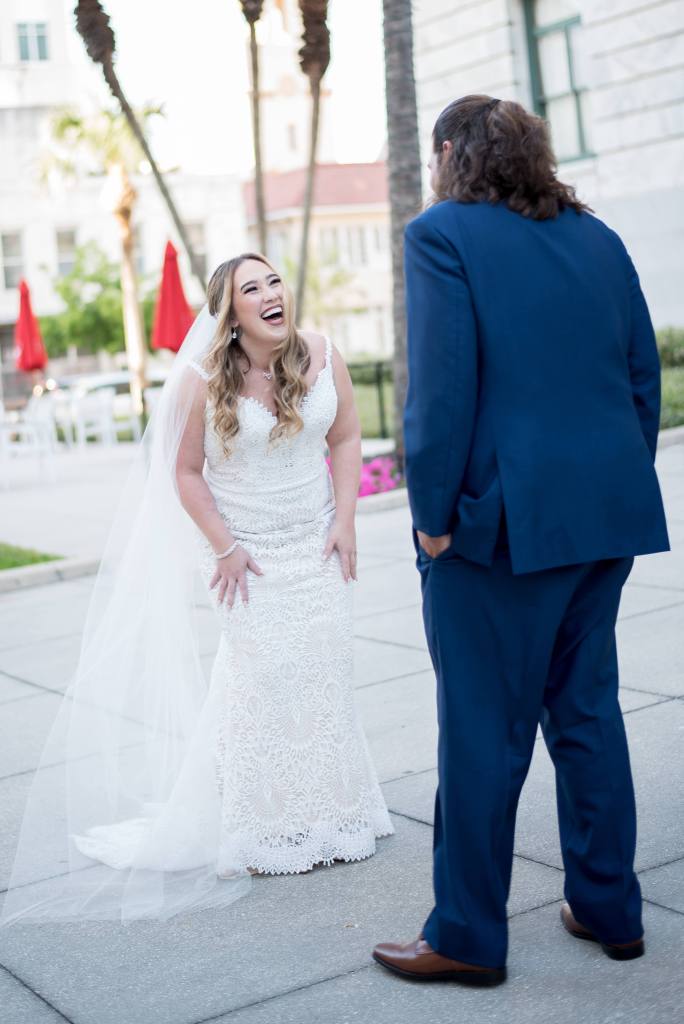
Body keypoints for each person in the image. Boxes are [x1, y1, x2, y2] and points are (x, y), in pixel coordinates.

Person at [372, 95, 669, 986]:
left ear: (450, 153)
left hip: (495, 532)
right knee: (586, 714)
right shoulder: (599, 238)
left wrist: (433, 518)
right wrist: (613, 485)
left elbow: (440, 391)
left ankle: (466, 935)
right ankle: (610, 908)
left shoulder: (441, 234)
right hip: (602, 518)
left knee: (480, 733)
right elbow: (642, 376)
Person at [1, 253, 392, 925]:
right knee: (260, 684)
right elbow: (182, 471)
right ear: (230, 314)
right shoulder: (200, 380)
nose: (270, 294)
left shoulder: (323, 354)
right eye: (251, 288)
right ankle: (262, 827)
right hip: (250, 560)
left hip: (318, 546)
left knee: (324, 675)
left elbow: (349, 435)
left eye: (274, 281)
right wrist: (225, 546)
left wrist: (347, 520)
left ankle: (336, 814)